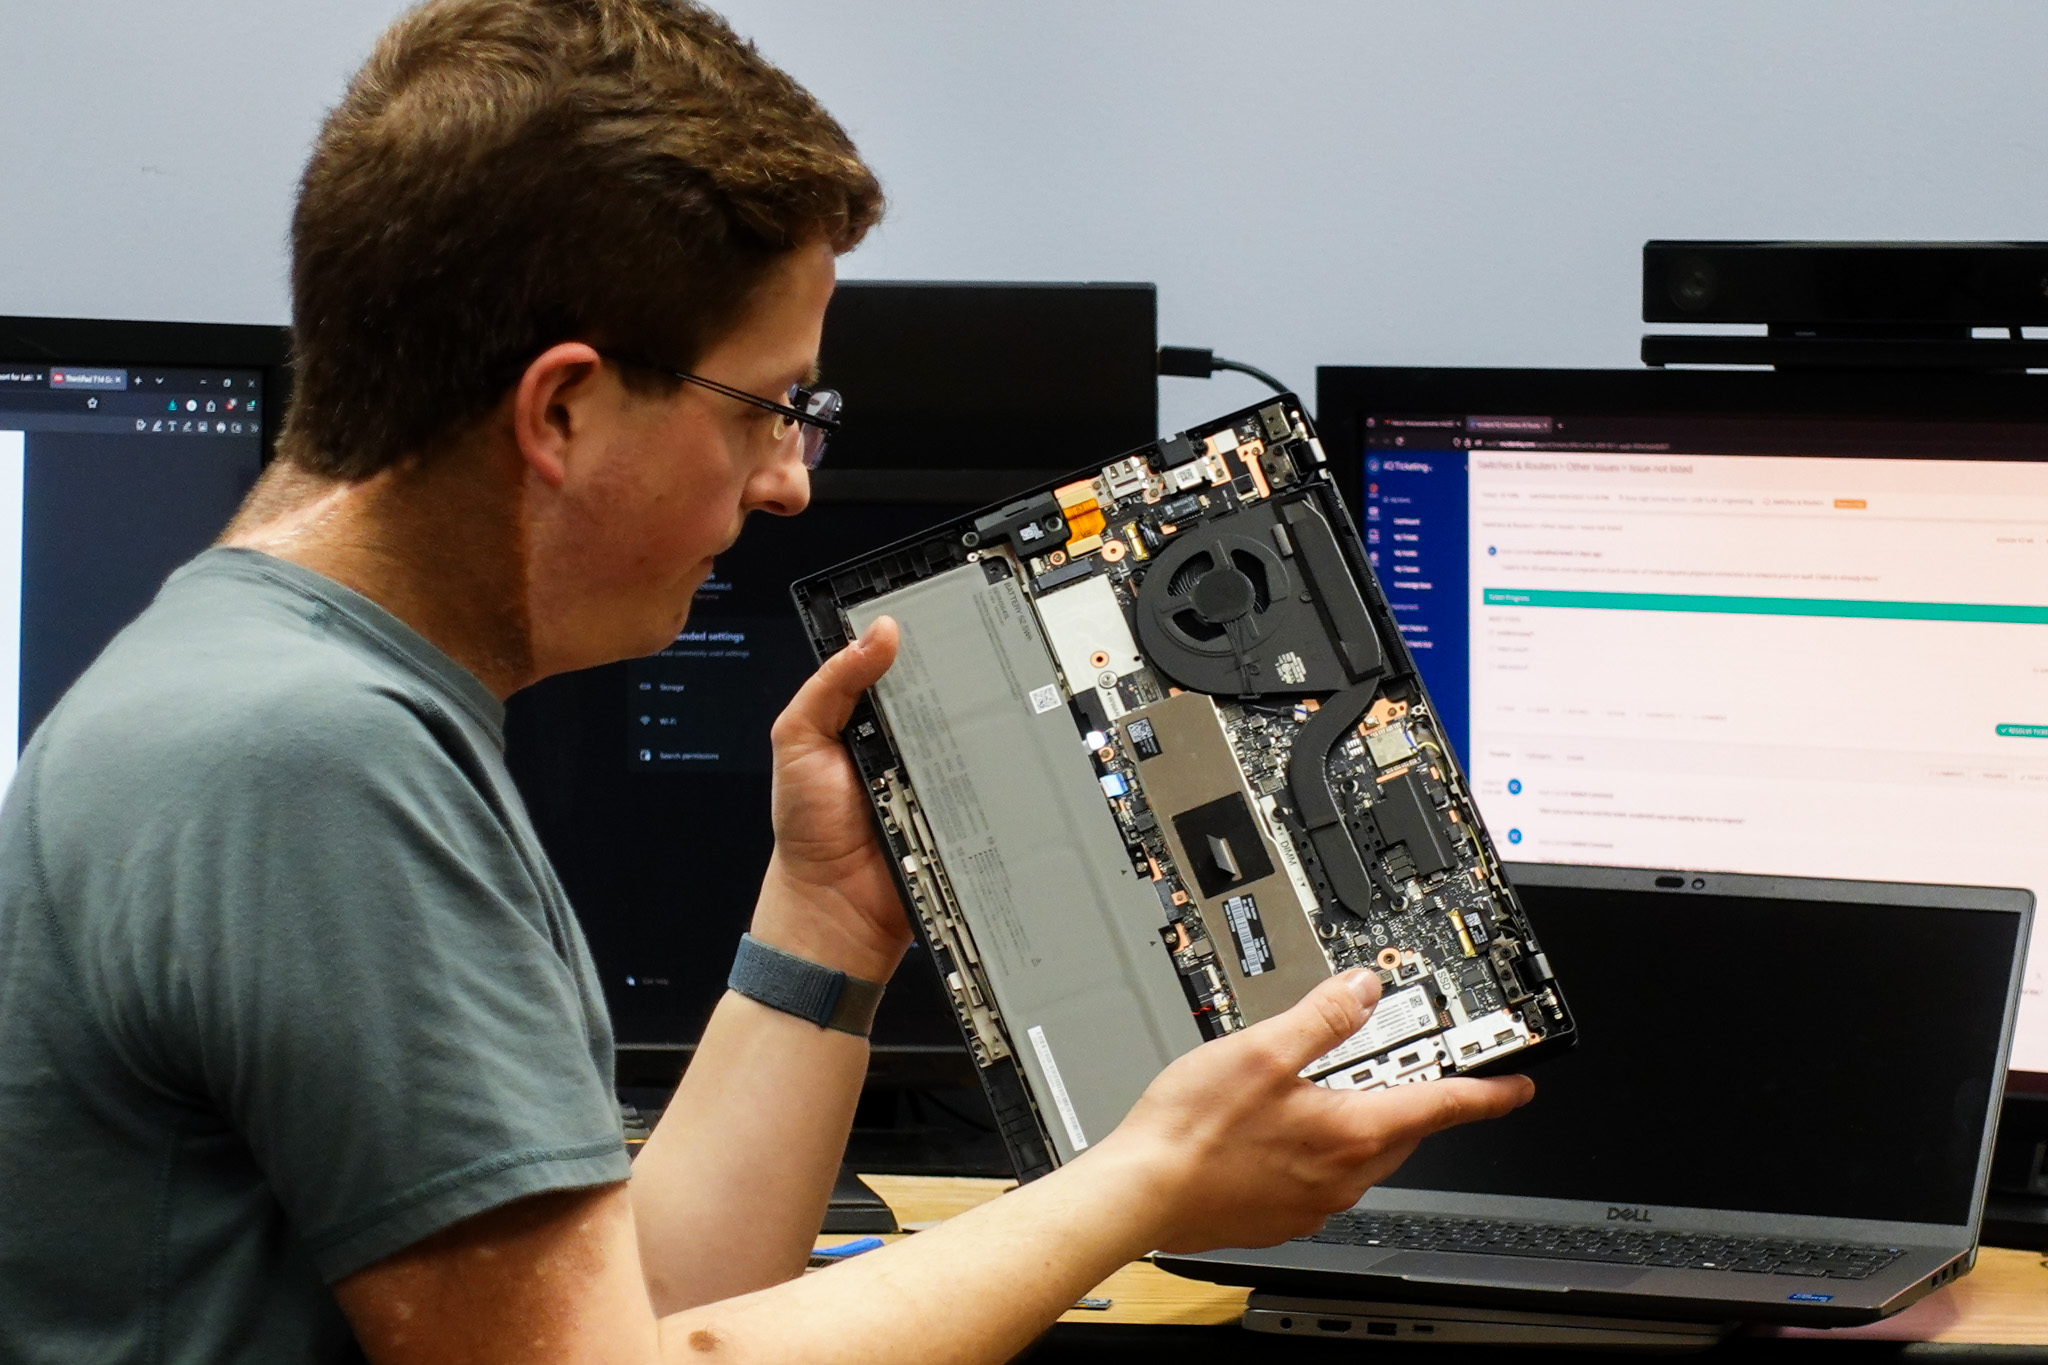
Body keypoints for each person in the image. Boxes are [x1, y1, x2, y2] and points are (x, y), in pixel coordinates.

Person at [0, 2, 1534, 1361]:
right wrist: (1141, 1183)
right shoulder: (309, 764)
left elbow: (642, 1307)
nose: (791, 478)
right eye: (768, 406)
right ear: (563, 410)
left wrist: (824, 921)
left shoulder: (255, 692)